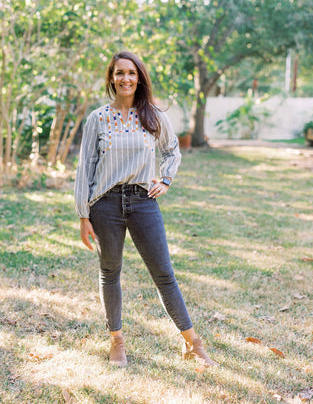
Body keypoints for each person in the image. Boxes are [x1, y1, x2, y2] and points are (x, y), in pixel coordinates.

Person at [74, 50, 218, 368]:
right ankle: (117, 342)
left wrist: (165, 180)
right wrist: (83, 214)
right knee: (109, 272)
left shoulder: (153, 115)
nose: (126, 78)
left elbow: (172, 150)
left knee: (164, 274)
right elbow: (85, 168)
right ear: (112, 78)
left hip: (142, 202)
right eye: (120, 73)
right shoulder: (97, 119)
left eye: (132, 73)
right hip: (105, 205)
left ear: (139, 78)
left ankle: (192, 343)